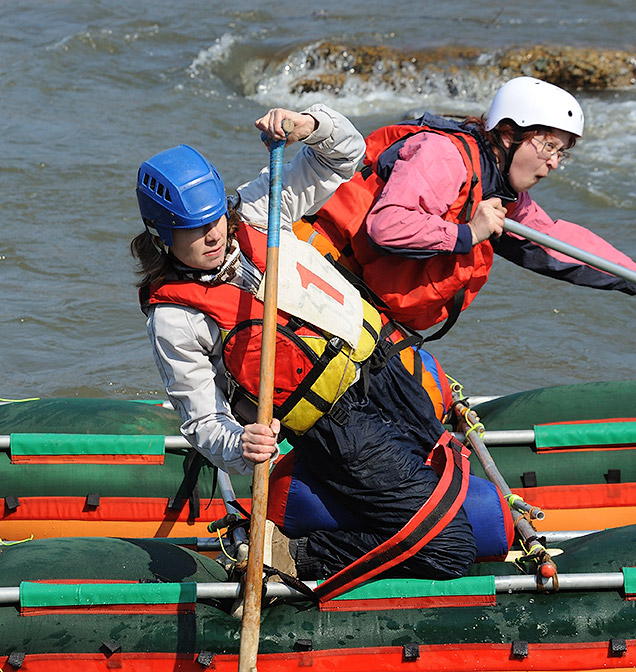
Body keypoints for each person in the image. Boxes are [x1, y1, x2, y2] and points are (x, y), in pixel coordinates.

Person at [131, 105, 510, 590]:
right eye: (191, 229)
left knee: (443, 485)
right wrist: (240, 445)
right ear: (163, 237)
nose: (212, 235)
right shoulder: (175, 318)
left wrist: (311, 126)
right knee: (449, 547)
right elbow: (204, 421)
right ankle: (289, 553)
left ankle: (337, 522)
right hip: (341, 429)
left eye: (214, 219)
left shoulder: (258, 211)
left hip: (389, 373)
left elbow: (345, 157)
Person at [294, 76, 636, 335]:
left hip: (354, 296)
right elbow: (388, 226)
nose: (553, 164)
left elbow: (558, 245)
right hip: (312, 275)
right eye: (547, 146)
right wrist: (467, 233)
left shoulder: (499, 189)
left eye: (562, 153)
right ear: (508, 134)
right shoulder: (443, 154)